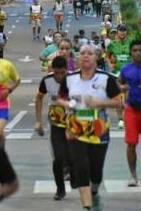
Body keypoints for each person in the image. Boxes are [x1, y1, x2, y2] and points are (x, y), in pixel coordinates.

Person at [57, 44, 122, 211]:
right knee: (80, 167)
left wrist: (99, 102)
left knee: (96, 169)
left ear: (96, 57)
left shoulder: (105, 78)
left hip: (99, 130)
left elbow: (119, 101)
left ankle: (94, 193)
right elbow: (60, 98)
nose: (86, 56)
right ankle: (86, 206)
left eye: (90, 53)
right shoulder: (69, 79)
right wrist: (69, 103)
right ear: (77, 58)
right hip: (76, 129)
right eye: (83, 53)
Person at [34, 56, 73, 201]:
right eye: (57, 73)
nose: (60, 76)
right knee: (58, 158)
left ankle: (73, 174)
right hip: (56, 122)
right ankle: (60, 189)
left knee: (71, 156)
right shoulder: (47, 80)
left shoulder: (74, 79)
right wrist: (38, 121)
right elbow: (39, 97)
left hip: (73, 122)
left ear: (67, 70)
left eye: (62, 73)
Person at [118, 40, 141, 187]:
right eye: (135, 50)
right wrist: (122, 87)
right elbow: (118, 82)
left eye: (140, 50)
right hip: (131, 110)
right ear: (131, 53)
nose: (138, 53)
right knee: (131, 144)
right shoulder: (126, 69)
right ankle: (133, 176)